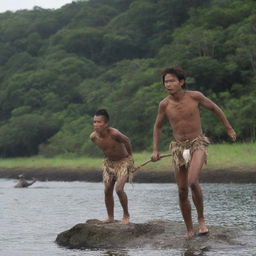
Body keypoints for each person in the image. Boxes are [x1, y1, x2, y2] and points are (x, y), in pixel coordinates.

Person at [151, 66, 236, 238]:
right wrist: (155, 150)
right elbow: (158, 126)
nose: (168, 84)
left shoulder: (195, 96)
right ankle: (189, 229)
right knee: (182, 189)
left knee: (192, 181)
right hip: (178, 148)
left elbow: (215, 108)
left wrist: (228, 128)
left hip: (198, 144)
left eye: (172, 81)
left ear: (181, 82)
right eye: (166, 82)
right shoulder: (164, 104)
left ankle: (202, 220)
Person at [90, 109, 134, 224]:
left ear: (106, 124)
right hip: (109, 164)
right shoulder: (93, 137)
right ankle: (110, 217)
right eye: (94, 122)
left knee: (119, 189)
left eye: (99, 122)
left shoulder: (114, 133)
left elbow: (127, 141)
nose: (96, 125)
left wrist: (130, 158)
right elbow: (106, 149)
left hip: (123, 162)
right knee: (107, 190)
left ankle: (126, 216)